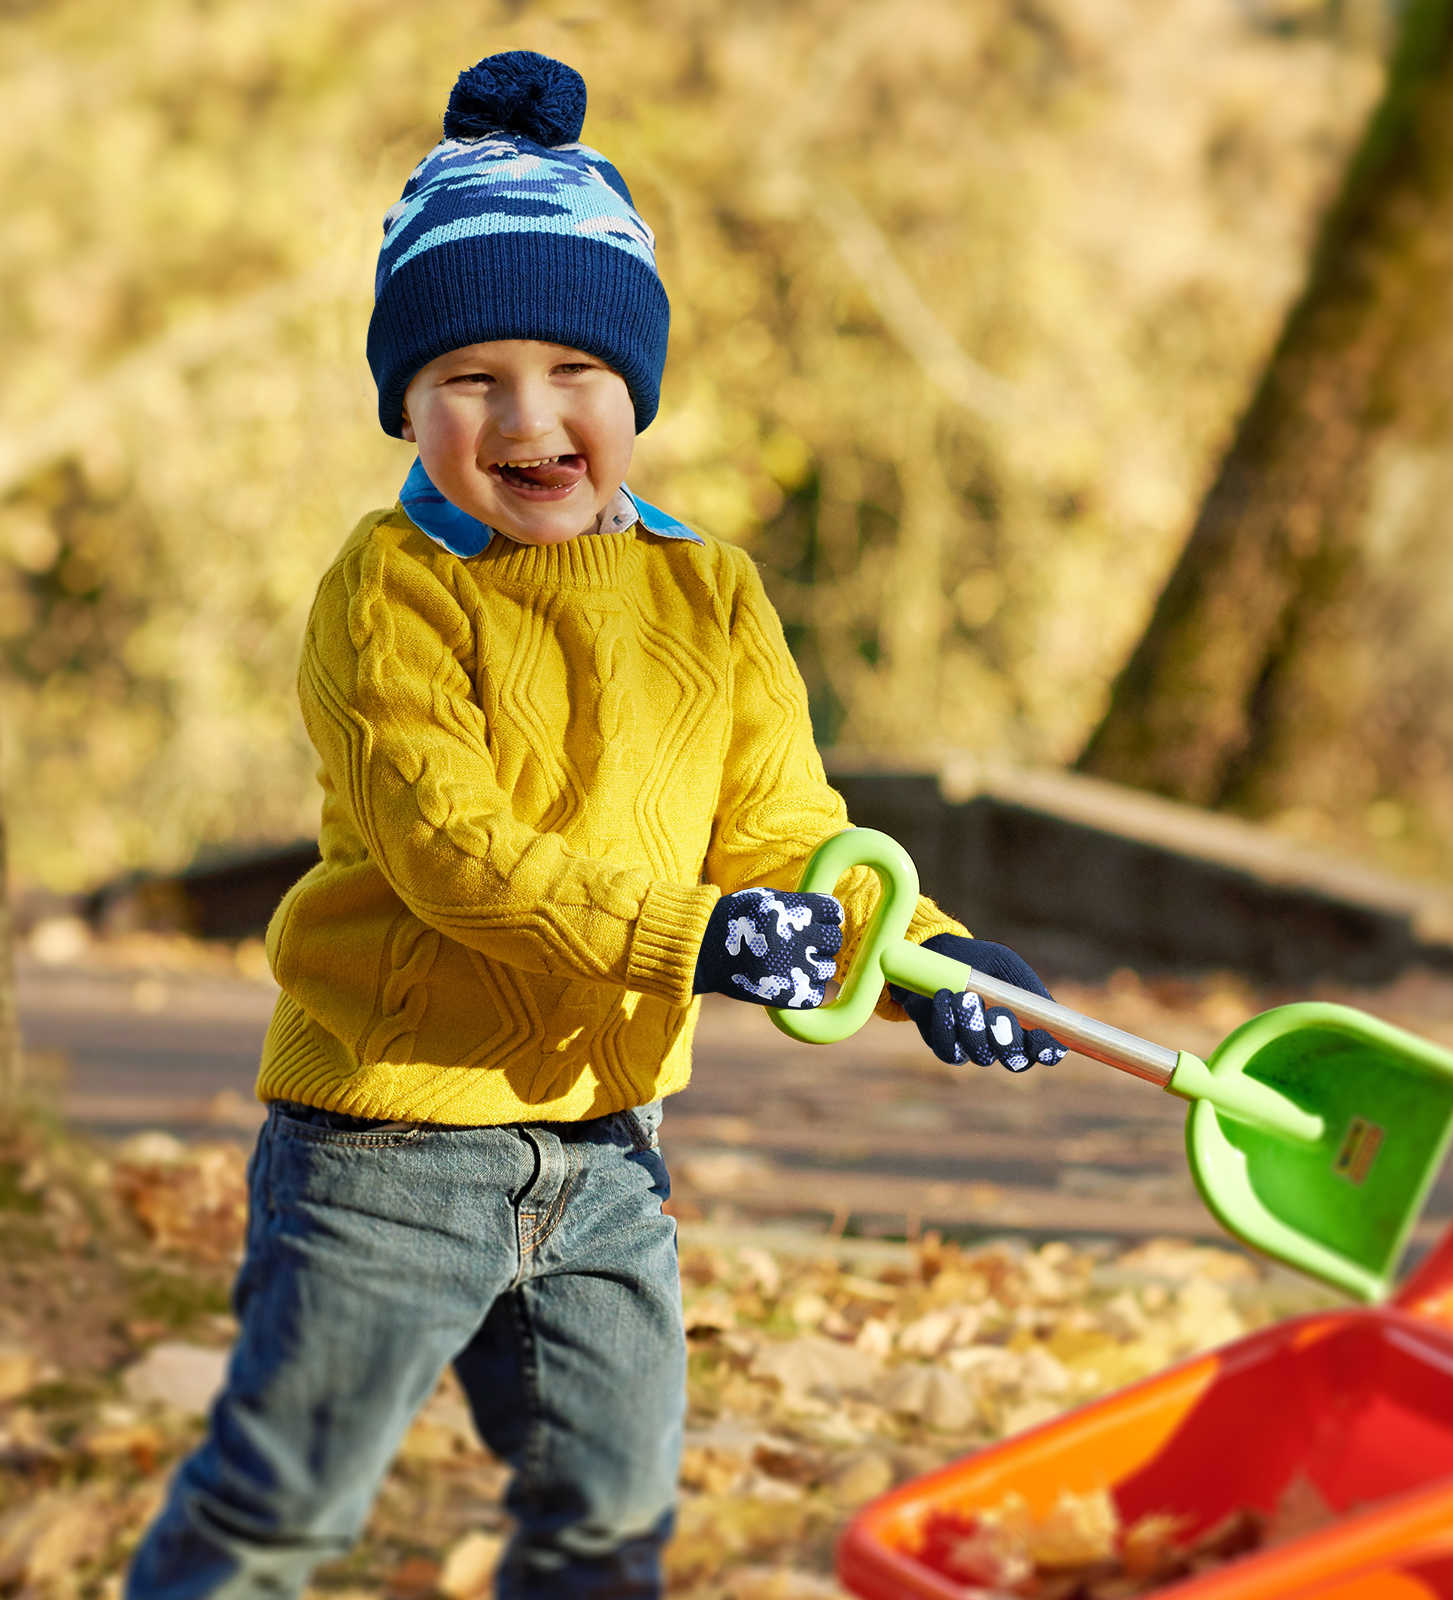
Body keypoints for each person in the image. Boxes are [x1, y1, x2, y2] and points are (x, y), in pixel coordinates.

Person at [125, 49, 1065, 1600]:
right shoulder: (391, 592)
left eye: (575, 373)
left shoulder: (712, 594)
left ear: (635, 389)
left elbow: (786, 838)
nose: (529, 417)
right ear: (406, 405)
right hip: (387, 1150)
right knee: (279, 1506)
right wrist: (697, 943)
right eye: (469, 379)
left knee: (612, 1516)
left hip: (607, 1152)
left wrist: (932, 969)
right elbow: (455, 852)